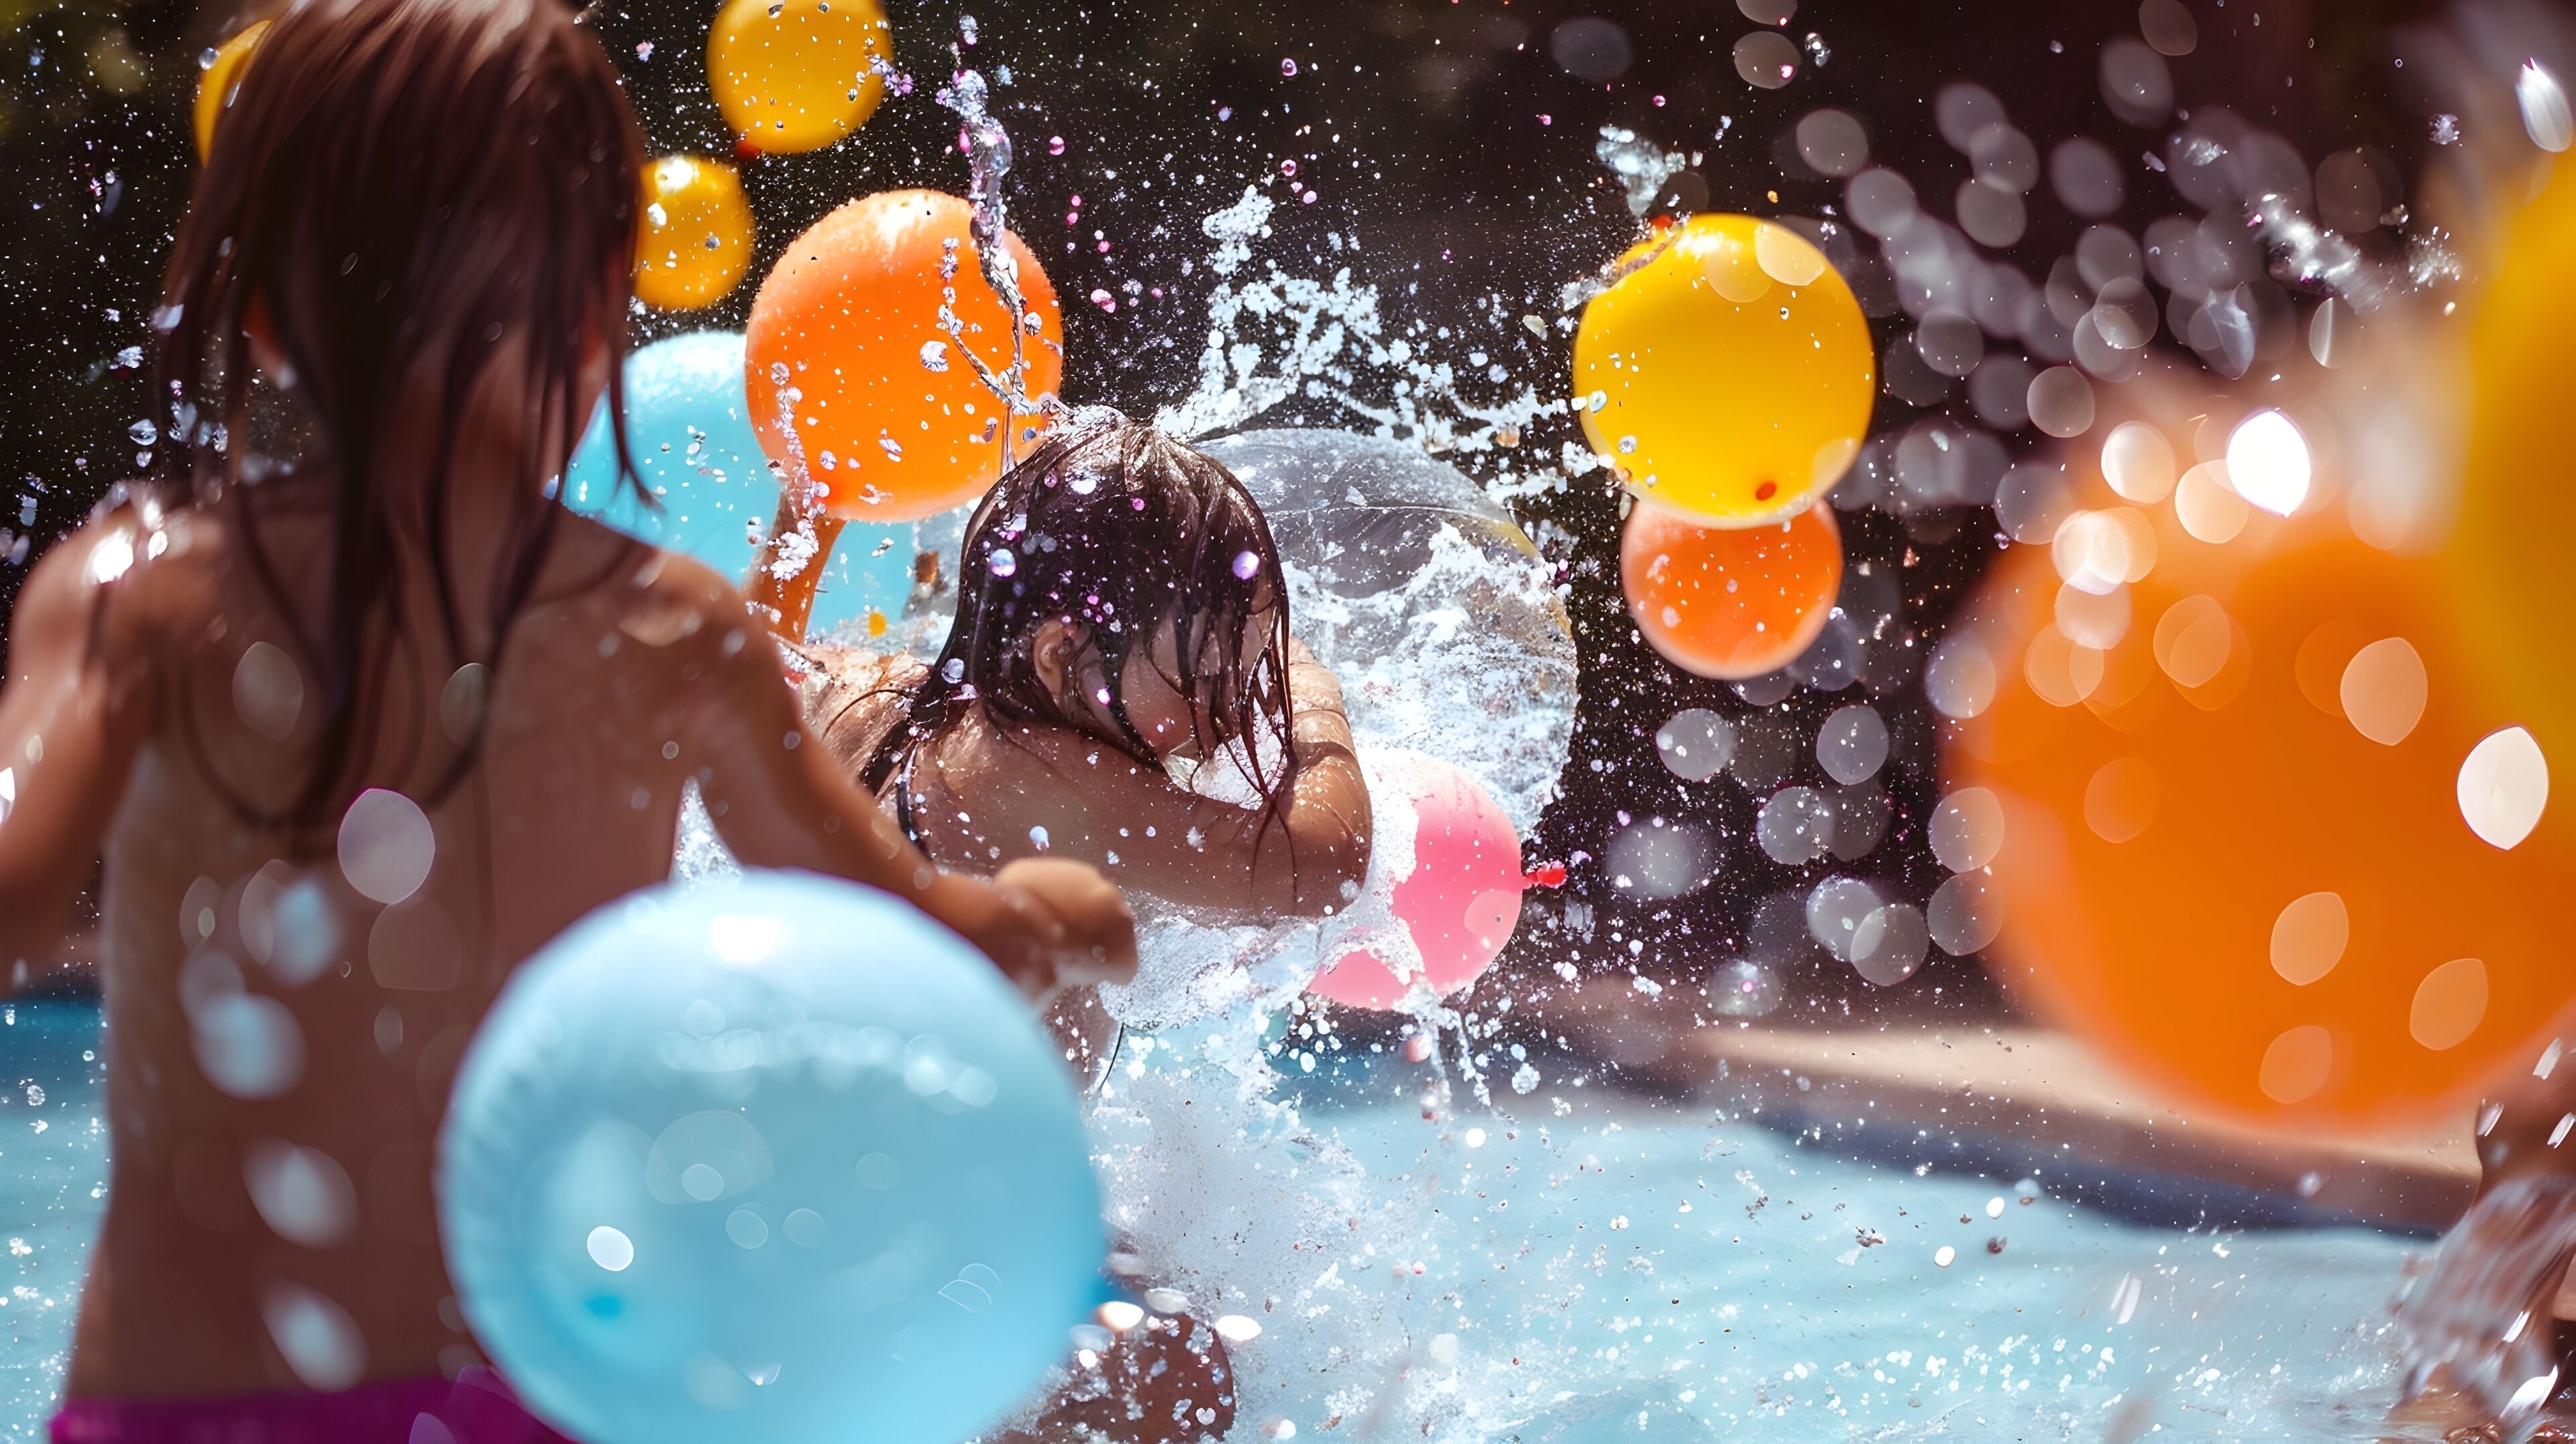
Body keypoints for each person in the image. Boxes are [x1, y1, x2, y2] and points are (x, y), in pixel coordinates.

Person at [0, 0, 1132, 1437]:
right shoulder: (665, 630)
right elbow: (895, 920)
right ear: (608, 302)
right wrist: (1040, 909)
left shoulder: (139, 597)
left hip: (189, 1397)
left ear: (266, 310)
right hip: (532, 1393)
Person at [800, 415, 1374, 924]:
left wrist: (801, 526)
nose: (1230, 713)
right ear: (1058, 655)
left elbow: (770, 665)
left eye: (1246, 672)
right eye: (1205, 678)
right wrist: (1316, 694)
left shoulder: (892, 695)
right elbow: (1321, 869)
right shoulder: (1035, 778)